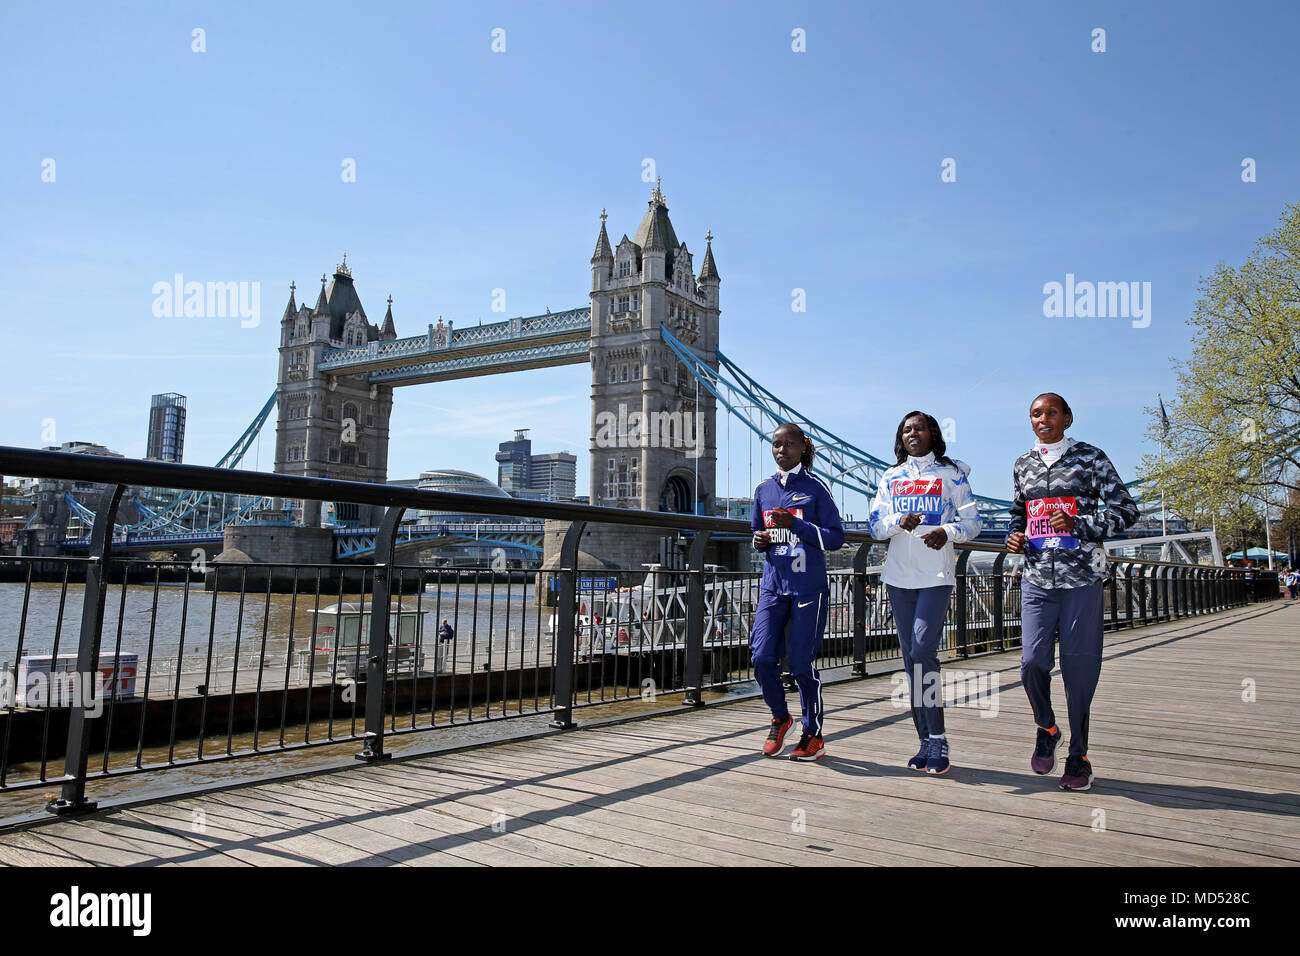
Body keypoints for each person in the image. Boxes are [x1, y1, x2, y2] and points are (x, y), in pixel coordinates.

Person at [1006, 393, 1138, 792]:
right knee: (1031, 663)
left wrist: (1079, 523)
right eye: (1035, 414)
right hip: (1036, 579)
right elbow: (1018, 511)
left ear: (1067, 418)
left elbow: (1126, 512)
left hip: (1082, 579)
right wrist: (1015, 534)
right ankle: (1046, 725)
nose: (1042, 419)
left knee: (1079, 672)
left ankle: (1078, 755)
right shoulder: (1022, 464)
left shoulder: (1092, 458)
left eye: (1050, 412)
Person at [869, 411, 982, 775]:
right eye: (906, 429)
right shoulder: (890, 476)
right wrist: (896, 522)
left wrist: (947, 532)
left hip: (936, 575)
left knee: (922, 650)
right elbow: (874, 526)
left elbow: (973, 523)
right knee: (910, 662)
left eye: (919, 428)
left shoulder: (952, 474)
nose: (912, 433)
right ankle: (925, 740)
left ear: (933, 433)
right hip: (898, 576)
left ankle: (938, 735)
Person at [751, 423, 845, 760]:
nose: (781, 450)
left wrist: (797, 525)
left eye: (788, 444)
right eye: (776, 444)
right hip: (773, 588)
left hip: (808, 588)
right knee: (761, 658)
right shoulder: (763, 489)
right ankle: (780, 716)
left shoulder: (816, 489)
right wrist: (759, 540)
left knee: (802, 664)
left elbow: (836, 538)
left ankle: (813, 734)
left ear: (803, 448)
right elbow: (757, 534)